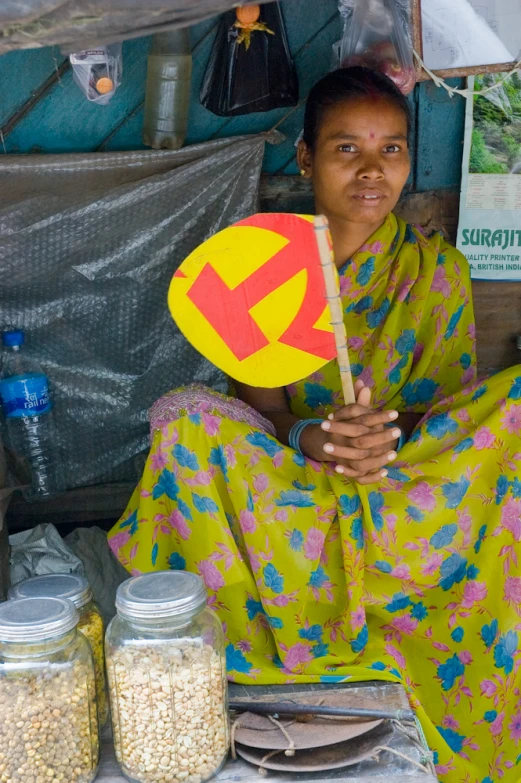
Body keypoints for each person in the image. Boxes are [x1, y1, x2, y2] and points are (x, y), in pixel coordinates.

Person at [109, 67, 521, 782]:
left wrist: (385, 436)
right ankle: (248, 646)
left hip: (408, 488)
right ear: (304, 159)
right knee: (185, 416)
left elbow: (453, 423)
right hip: (288, 487)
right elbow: (261, 413)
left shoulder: (437, 270)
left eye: (391, 149)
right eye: (345, 149)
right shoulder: (263, 262)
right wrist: (314, 439)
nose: (371, 170)